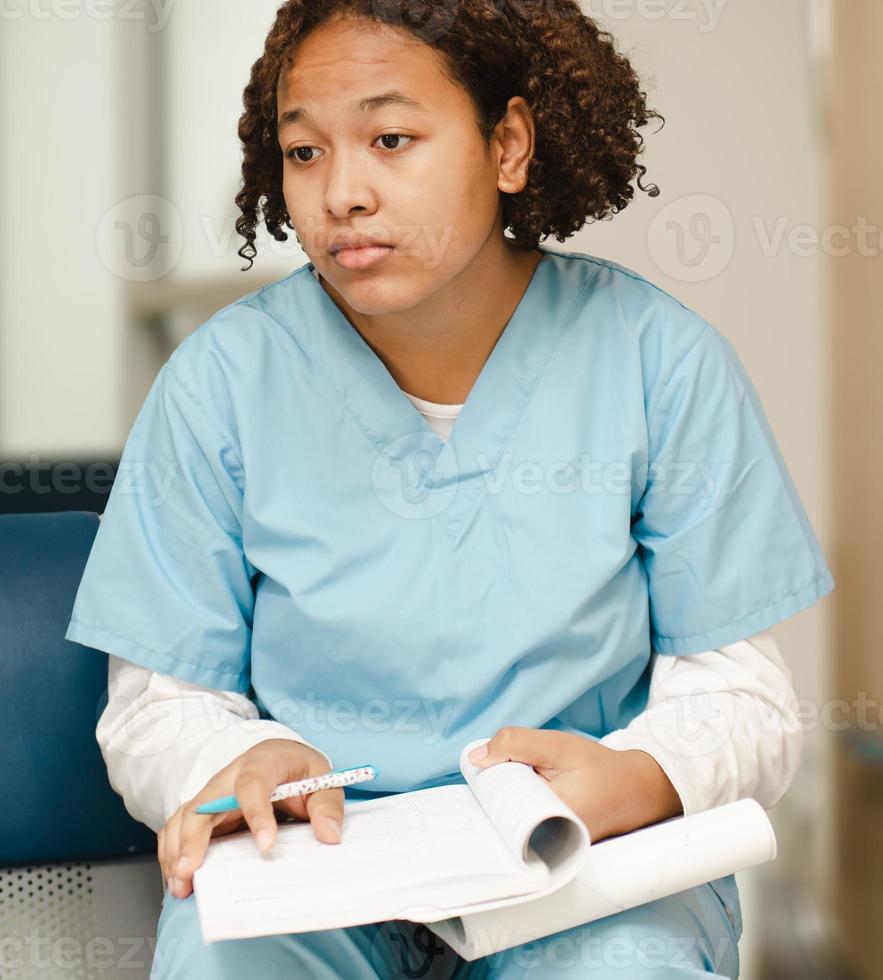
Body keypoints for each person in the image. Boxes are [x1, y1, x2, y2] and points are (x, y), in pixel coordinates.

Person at [64, 2, 834, 977]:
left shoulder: (659, 363)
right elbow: (156, 702)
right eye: (304, 153)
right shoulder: (219, 385)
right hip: (314, 857)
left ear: (506, 144)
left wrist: (637, 775)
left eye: (391, 139)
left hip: (578, 856)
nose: (342, 191)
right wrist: (231, 762)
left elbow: (744, 696)